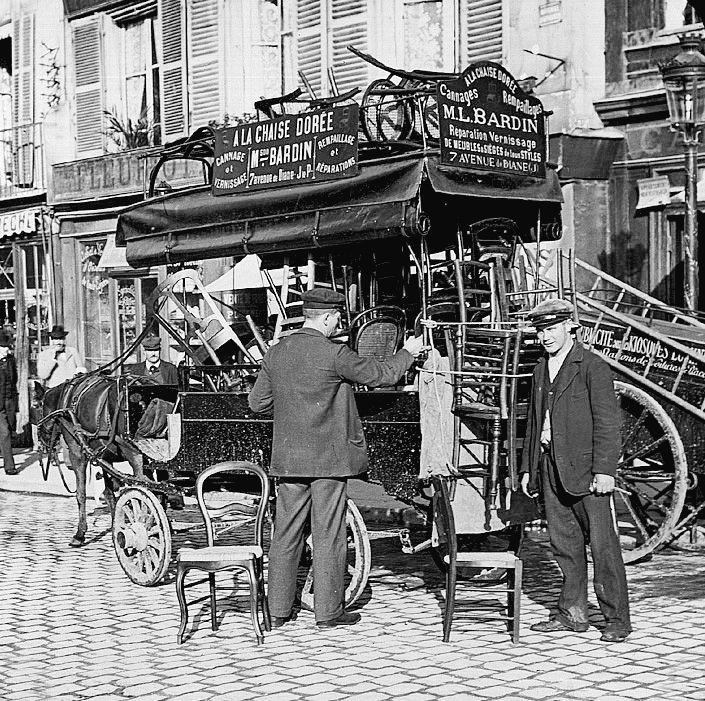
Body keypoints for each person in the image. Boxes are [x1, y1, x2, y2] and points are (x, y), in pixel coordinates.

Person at [248, 288, 426, 629]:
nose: (337, 325)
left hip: (288, 460)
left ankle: (277, 612)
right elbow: (382, 375)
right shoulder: (334, 354)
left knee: (285, 534)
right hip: (328, 461)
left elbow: (258, 404)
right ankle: (328, 613)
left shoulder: (277, 353)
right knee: (328, 533)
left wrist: (292, 407)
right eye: (336, 320)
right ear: (327, 318)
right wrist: (408, 351)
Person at [520, 298, 631, 643]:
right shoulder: (541, 369)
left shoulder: (592, 367)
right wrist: (528, 468)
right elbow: (534, 423)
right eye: (540, 330)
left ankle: (616, 620)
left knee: (603, 547)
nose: (545, 337)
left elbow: (607, 424)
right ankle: (573, 613)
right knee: (563, 544)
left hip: (587, 472)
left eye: (551, 329)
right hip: (551, 466)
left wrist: (605, 471)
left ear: (571, 327)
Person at [0, 330, 18, 475]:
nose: (7, 349)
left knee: (9, 429)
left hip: (9, 400)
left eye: (7, 346)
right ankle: (9, 466)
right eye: (3, 346)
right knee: (5, 432)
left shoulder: (11, 360)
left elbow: (14, 379)